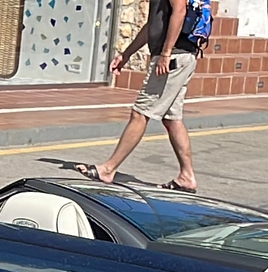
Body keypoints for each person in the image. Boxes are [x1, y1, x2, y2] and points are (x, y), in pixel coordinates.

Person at [68, 0, 207, 192]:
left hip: (172, 58)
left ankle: (108, 169)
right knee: (172, 119)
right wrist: (126, 55)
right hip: (180, 57)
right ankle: (187, 176)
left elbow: (180, 11)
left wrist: (165, 54)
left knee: (140, 114)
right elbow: (153, 25)